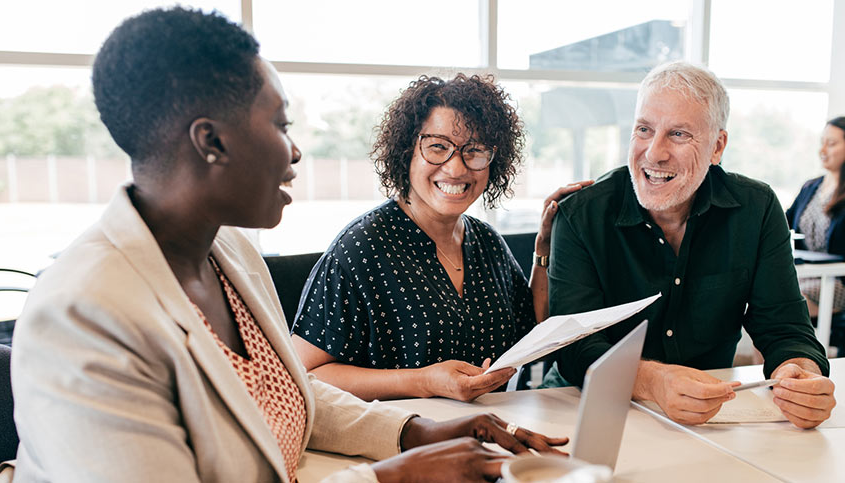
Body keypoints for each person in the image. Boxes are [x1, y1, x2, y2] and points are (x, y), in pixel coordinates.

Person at [0, 8, 569, 483]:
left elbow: (290, 392)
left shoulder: (232, 255)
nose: (294, 153)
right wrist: (392, 474)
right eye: (280, 124)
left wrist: (418, 431)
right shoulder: (82, 313)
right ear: (212, 141)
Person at [543, 61, 836, 429]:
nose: (653, 153)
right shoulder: (581, 215)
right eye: (644, 130)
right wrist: (654, 381)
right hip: (584, 403)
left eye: (678, 134)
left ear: (717, 146)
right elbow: (575, 347)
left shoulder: (757, 209)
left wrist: (800, 374)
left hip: (707, 414)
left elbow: (785, 328)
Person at [291, 74, 590, 402]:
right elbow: (307, 375)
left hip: (488, 430)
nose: (457, 168)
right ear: (407, 151)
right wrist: (422, 381)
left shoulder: (486, 242)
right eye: (438, 147)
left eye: (474, 151)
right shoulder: (361, 249)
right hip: (399, 440)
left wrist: (544, 248)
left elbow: (533, 328)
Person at [786, 117, 845, 317]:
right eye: (822, 143)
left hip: (838, 281)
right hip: (807, 274)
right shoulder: (811, 187)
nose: (822, 151)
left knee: (785, 303)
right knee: (763, 298)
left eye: (832, 144)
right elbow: (782, 223)